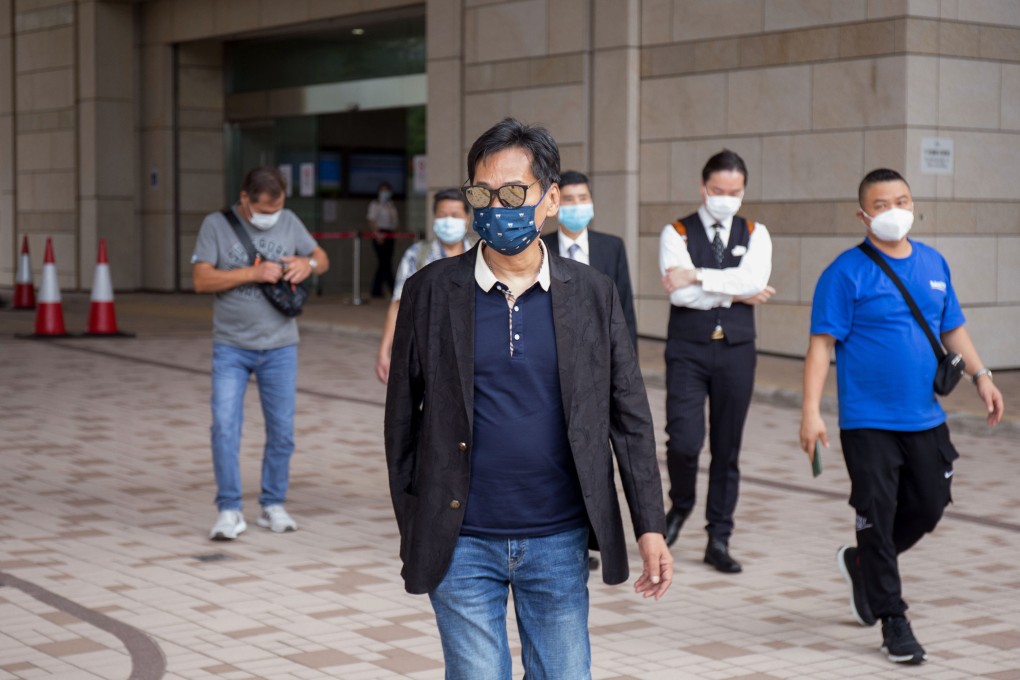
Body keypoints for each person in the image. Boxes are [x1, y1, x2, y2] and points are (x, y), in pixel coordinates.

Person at [385, 118, 672, 679]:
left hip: (558, 539)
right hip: (460, 541)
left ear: (550, 200)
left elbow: (629, 417)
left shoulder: (592, 293)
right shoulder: (430, 292)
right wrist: (414, 521)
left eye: (514, 192)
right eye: (482, 194)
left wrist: (650, 524)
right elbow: (402, 423)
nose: (497, 207)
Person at [800, 168, 1004, 665]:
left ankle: (862, 562)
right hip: (867, 421)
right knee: (878, 514)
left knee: (931, 503)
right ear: (863, 213)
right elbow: (822, 345)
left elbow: (952, 328)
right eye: (882, 203)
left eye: (902, 201)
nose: (894, 211)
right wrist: (810, 411)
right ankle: (893, 620)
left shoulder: (934, 263)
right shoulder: (845, 272)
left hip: (924, 416)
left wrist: (982, 376)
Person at [192, 166, 329, 541]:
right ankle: (230, 509)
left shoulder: (289, 221)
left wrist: (309, 263)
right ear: (245, 200)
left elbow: (321, 256)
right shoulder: (217, 225)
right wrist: (251, 274)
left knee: (282, 430)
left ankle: (273, 504)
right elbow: (201, 279)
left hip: (281, 345)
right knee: (224, 425)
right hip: (231, 346)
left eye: (278, 207)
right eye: (265, 210)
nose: (273, 216)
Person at [658, 150, 775, 573]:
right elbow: (678, 293)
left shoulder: (755, 231)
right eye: (717, 190)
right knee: (684, 441)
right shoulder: (677, 232)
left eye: (734, 192)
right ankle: (681, 504)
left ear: (743, 191)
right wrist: (738, 292)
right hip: (688, 349)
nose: (726, 198)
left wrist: (699, 276)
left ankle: (718, 537)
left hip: (737, 351)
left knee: (728, 447)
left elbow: (756, 280)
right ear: (703, 188)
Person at [375, 188, 474, 384]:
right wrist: (385, 349)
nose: (448, 221)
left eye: (455, 215)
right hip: (426, 353)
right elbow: (398, 305)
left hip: (471, 353)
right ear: (434, 217)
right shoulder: (417, 255)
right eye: (443, 215)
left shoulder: (481, 256)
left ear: (467, 218)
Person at [541, 170, 638, 349]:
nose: (577, 205)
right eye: (568, 199)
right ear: (555, 204)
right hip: (552, 347)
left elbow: (625, 310)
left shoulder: (612, 247)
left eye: (583, 198)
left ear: (592, 202)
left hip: (600, 348)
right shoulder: (540, 247)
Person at [367, 181, 400, 298]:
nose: (385, 193)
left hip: (390, 234)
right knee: (385, 262)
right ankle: (392, 288)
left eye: (387, 190)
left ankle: (376, 289)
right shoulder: (375, 204)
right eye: (383, 190)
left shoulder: (391, 204)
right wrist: (377, 234)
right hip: (380, 234)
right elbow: (371, 220)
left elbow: (394, 221)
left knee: (385, 263)